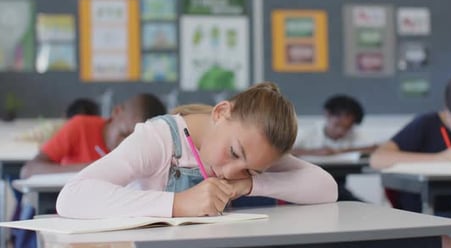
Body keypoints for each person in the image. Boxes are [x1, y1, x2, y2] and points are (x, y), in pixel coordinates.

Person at [56, 82, 338, 218]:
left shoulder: (253, 149)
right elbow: (72, 196)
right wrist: (179, 204)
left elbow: (327, 189)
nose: (230, 173)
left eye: (249, 169)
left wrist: (250, 183)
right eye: (234, 153)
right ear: (220, 112)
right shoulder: (160, 138)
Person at [370, 71, 451, 248]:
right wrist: (439, 159)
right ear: (446, 105)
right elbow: (377, 159)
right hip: (420, 216)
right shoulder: (426, 124)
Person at [20, 93, 166, 179]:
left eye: (136, 141)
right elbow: (28, 170)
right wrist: (95, 168)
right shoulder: (80, 127)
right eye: (124, 135)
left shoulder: (148, 155)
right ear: (116, 112)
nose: (126, 145)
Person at [292, 95, 377, 201]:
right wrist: (315, 152)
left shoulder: (354, 134)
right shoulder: (309, 133)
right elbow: (284, 152)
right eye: (338, 125)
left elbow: (374, 148)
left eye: (347, 128)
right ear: (327, 114)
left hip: (338, 189)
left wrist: (340, 151)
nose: (341, 132)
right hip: (307, 189)